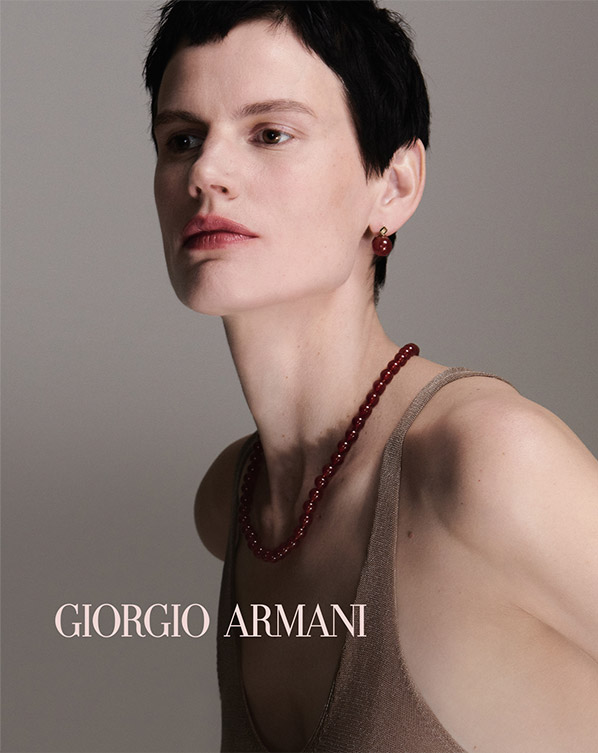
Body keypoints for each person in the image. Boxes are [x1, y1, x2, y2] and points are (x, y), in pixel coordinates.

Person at [144, 2, 598, 751]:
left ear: (394, 183)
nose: (205, 173)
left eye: (270, 133)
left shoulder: (486, 463)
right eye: (181, 139)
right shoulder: (229, 503)